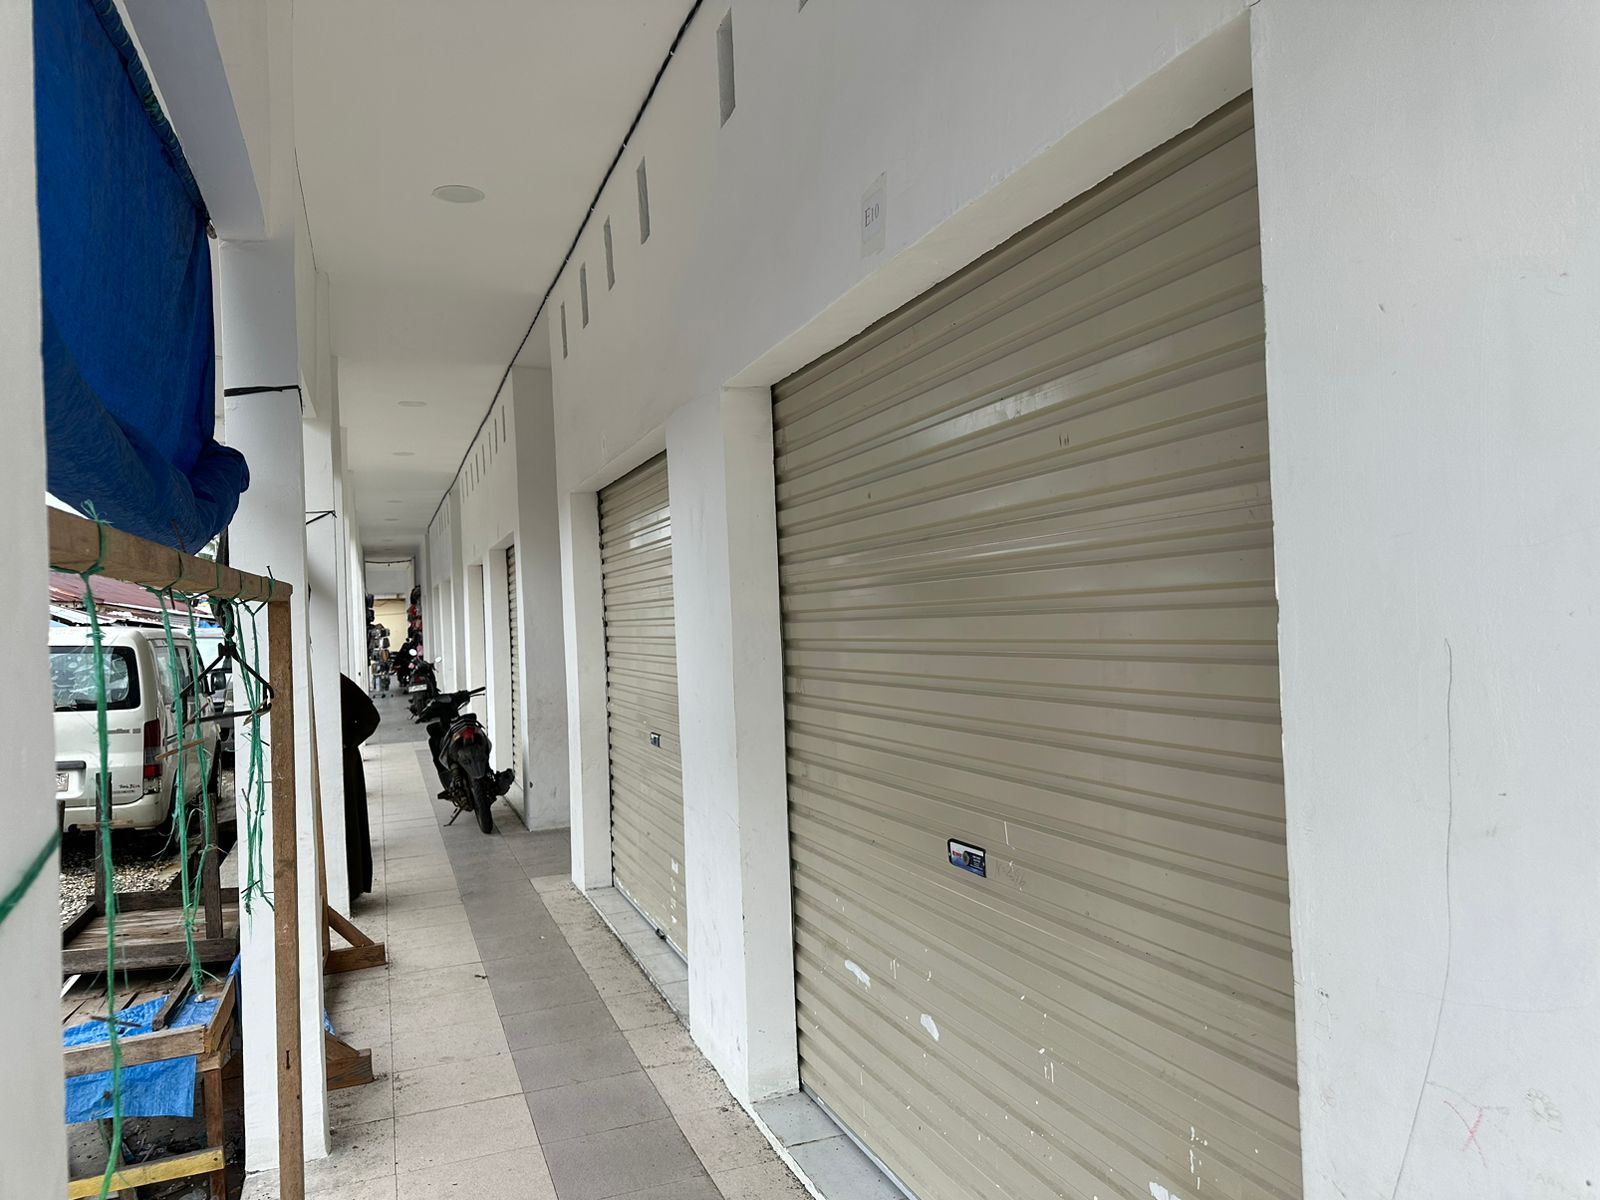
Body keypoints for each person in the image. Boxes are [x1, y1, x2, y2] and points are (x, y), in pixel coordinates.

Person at [340, 672, 379, 897]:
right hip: (341, 759)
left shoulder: (338, 682)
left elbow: (371, 717)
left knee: (349, 820)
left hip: (345, 763)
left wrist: (347, 742)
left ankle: (353, 886)